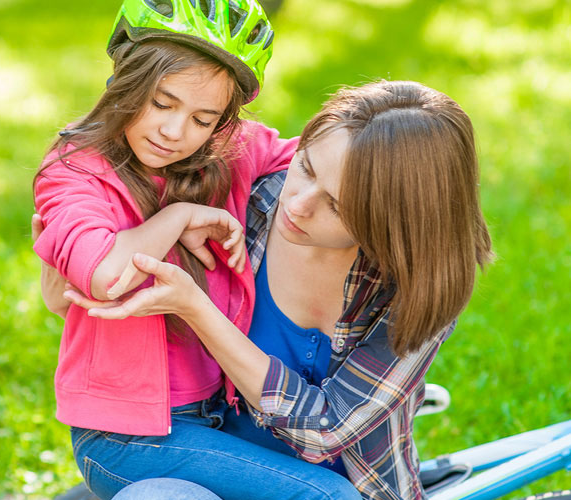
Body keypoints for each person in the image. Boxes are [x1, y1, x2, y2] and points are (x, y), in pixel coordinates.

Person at [47, 80, 495, 500]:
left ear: (392, 221)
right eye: (306, 167)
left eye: (337, 205)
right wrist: (56, 254)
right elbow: (99, 267)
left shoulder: (420, 284)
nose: (297, 204)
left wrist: (198, 309)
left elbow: (326, 430)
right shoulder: (248, 202)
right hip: (206, 468)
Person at [33, 1, 360, 499]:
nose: (174, 132)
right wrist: (177, 217)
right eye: (162, 103)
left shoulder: (226, 151)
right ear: (126, 78)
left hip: (218, 415)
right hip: (126, 439)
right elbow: (105, 273)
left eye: (202, 119)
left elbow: (323, 164)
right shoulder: (74, 170)